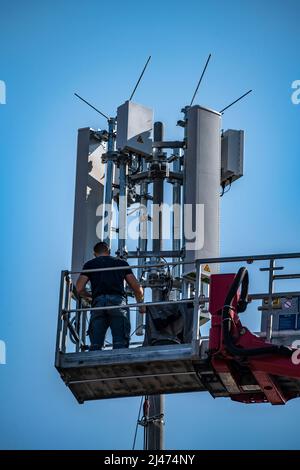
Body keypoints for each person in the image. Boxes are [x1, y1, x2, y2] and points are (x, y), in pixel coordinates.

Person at [76, 241, 145, 350]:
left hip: (98, 303)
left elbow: (79, 288)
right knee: (120, 344)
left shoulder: (90, 264)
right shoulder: (121, 263)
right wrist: (141, 304)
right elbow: (137, 288)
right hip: (117, 302)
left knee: (95, 345)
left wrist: (91, 297)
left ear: (94, 254)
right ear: (109, 251)